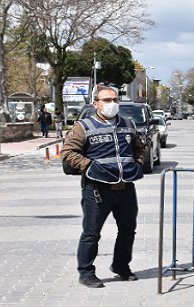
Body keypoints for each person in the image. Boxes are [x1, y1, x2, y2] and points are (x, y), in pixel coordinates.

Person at [61, 87, 145, 288]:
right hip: (97, 190)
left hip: (125, 188)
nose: (112, 103)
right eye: (106, 100)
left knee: (128, 230)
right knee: (92, 233)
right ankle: (86, 272)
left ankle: (121, 266)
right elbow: (67, 153)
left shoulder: (128, 124)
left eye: (115, 99)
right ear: (95, 104)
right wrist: (89, 166)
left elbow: (139, 148)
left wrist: (138, 164)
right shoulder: (83, 127)